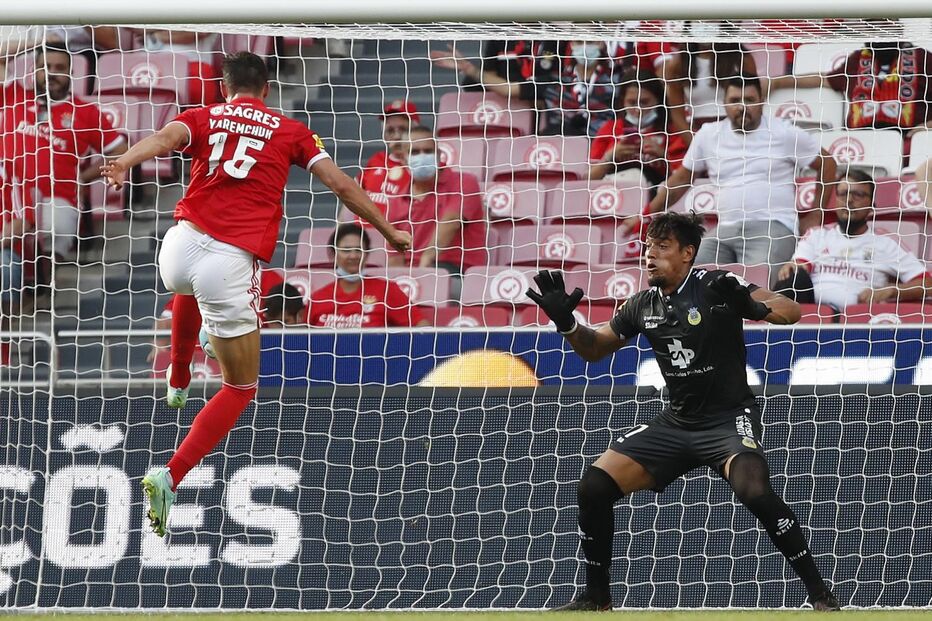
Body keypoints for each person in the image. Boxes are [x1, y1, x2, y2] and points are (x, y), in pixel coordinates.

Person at [100, 51, 411, 537]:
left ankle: (179, 375)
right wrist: (388, 231)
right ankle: (170, 473)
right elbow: (341, 185)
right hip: (230, 261)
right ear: (266, 88)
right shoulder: (289, 130)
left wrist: (124, 161)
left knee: (186, 284)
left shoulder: (203, 116)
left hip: (178, 246)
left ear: (224, 88)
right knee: (240, 387)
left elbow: (163, 140)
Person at [526, 212, 839, 611]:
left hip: (727, 419)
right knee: (595, 485)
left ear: (688, 253)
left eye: (662, 247)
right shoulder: (641, 304)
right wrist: (567, 323)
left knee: (754, 490)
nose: (649, 256)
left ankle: (820, 595)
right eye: (647, 247)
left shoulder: (716, 285)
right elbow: (595, 349)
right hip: (677, 422)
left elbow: (790, 311)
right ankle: (597, 598)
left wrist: (754, 308)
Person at [629, 75, 836, 273]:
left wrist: (816, 212)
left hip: (773, 228)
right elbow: (682, 179)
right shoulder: (708, 135)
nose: (742, 106)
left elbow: (828, 163)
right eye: (735, 100)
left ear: (762, 101)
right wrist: (645, 214)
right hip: (724, 229)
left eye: (750, 100)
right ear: (724, 103)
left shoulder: (784, 132)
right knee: (690, 273)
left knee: (756, 285)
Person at [1, 42, 127, 262]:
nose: (52, 73)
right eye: (46, 66)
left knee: (43, 258)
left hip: (56, 199)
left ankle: (46, 289)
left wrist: (84, 177)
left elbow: (122, 152)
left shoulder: (85, 112)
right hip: (7, 199)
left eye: (59, 67)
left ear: (71, 73)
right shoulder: (14, 96)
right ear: (35, 70)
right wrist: (36, 42)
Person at [774, 169, 931, 308]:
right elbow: (800, 266)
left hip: (859, 319)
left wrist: (891, 290)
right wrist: (793, 266)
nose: (849, 200)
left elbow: (927, 284)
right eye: (843, 194)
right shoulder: (816, 234)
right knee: (792, 276)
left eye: (858, 195)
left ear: (871, 205)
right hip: (811, 313)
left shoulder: (887, 242)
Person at [769, 39, 932, 135]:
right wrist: (776, 82)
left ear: (898, 26)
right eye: (872, 24)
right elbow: (825, 79)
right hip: (859, 138)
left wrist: (925, 128)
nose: (880, 31)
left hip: (906, 140)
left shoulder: (924, 58)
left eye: (885, 22)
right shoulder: (858, 58)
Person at [387, 126, 487, 273]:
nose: (422, 156)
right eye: (414, 152)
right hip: (411, 277)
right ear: (403, 158)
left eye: (428, 151)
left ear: (439, 155)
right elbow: (395, 258)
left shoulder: (464, 182)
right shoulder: (395, 202)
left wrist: (426, 262)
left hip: (456, 272)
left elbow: (451, 222)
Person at [149, 268, 287, 364]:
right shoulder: (204, 280)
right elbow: (166, 320)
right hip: (197, 359)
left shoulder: (271, 280)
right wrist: (158, 346)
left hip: (252, 358)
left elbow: (287, 322)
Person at [306, 223, 429, 328]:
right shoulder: (317, 299)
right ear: (333, 254)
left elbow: (423, 327)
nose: (353, 256)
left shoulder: (387, 291)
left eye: (359, 250)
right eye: (346, 250)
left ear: (367, 254)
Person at [589, 71, 688, 186]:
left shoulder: (673, 131)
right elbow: (588, 179)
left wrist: (663, 156)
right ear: (623, 102)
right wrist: (610, 158)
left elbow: (685, 177)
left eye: (644, 102)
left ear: (658, 101)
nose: (638, 109)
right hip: (613, 191)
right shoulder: (610, 129)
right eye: (631, 103)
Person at [661, 22, 758, 132]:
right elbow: (677, 114)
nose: (705, 25)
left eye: (710, 20)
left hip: (738, 128)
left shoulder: (742, 59)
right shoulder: (678, 63)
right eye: (699, 20)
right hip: (699, 130)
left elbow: (754, 102)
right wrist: (696, 142)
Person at [350, 100, 417, 226]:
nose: (396, 136)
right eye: (391, 130)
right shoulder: (376, 159)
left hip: (397, 239)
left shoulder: (423, 167)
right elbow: (351, 197)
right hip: (364, 240)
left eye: (403, 130)